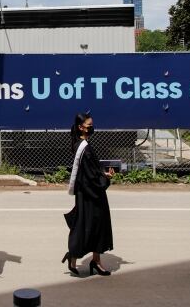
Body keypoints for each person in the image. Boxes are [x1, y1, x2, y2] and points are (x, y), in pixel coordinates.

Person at [62, 113, 114, 276]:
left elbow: (91, 171)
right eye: (89, 124)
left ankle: (95, 261)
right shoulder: (83, 147)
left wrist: (103, 175)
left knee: (97, 226)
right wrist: (103, 180)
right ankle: (73, 257)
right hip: (89, 195)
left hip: (90, 192)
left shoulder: (83, 145)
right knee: (84, 226)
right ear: (80, 127)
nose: (91, 127)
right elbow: (90, 175)